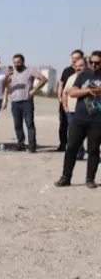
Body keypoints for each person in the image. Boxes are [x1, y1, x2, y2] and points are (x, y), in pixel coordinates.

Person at [55, 50, 101, 188]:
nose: (93, 65)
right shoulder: (83, 75)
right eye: (91, 62)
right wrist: (88, 91)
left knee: (93, 150)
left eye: (97, 63)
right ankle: (65, 177)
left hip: (97, 119)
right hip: (80, 117)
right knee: (71, 148)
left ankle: (90, 179)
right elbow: (73, 92)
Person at [6, 53, 47, 152]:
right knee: (17, 125)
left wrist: (34, 90)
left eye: (18, 62)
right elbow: (6, 86)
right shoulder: (12, 73)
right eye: (15, 62)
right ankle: (21, 144)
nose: (16, 64)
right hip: (15, 102)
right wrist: (6, 77)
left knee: (29, 124)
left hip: (26, 101)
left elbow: (44, 79)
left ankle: (32, 146)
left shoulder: (30, 70)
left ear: (23, 62)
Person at [57, 50, 85, 151]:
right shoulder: (68, 73)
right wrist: (62, 101)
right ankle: (65, 146)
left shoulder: (89, 75)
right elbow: (63, 87)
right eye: (73, 58)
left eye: (77, 58)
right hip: (69, 107)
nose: (74, 61)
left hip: (85, 108)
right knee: (67, 128)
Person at [62, 57, 88, 160]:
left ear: (86, 66)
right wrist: (65, 105)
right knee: (74, 133)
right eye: (76, 66)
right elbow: (65, 92)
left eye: (81, 66)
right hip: (71, 111)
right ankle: (79, 152)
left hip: (87, 111)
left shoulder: (91, 78)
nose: (78, 68)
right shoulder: (71, 78)